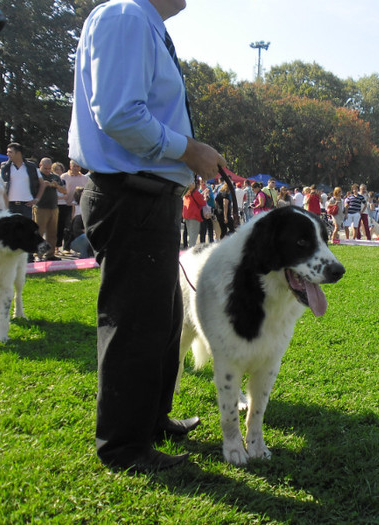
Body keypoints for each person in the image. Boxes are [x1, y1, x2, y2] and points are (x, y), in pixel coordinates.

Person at [69, 0, 226, 472]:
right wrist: (189, 150)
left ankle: (151, 421)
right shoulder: (126, 16)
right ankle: (124, 447)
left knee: (161, 319)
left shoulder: (141, 23)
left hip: (146, 195)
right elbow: (119, 115)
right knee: (136, 323)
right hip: (130, 192)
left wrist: (184, 162)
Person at [33, 157, 66, 261]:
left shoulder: (55, 177)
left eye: (49, 168)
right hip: (40, 207)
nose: (47, 170)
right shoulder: (37, 176)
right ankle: (38, 254)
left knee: (52, 233)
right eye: (45, 168)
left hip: (54, 207)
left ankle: (50, 254)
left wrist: (57, 186)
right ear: (40, 165)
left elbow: (65, 191)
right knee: (39, 232)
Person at [0, 143, 41, 219]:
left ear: (18, 153)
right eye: (7, 152)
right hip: (9, 205)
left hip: (26, 205)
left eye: (10, 152)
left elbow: (43, 184)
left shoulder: (31, 167)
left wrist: (37, 199)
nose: (7, 154)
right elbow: (1, 184)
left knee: (25, 229)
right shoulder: (5, 167)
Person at [58, 160, 89, 253]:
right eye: (74, 166)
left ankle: (78, 247)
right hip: (65, 204)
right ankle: (65, 248)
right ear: (70, 166)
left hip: (79, 206)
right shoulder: (64, 176)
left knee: (75, 227)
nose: (76, 168)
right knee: (65, 227)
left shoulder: (84, 178)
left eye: (78, 166)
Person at [182, 183, 205, 248]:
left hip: (186, 214)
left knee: (190, 233)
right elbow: (202, 203)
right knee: (193, 235)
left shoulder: (186, 192)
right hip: (194, 215)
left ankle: (189, 249)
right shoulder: (195, 192)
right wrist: (205, 198)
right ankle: (191, 251)